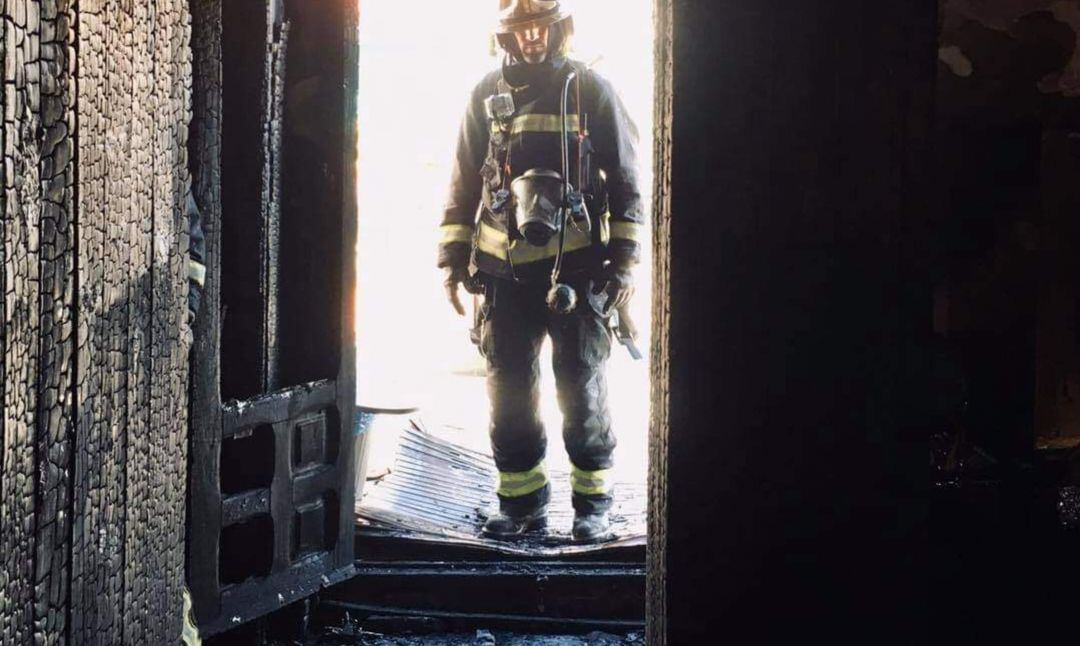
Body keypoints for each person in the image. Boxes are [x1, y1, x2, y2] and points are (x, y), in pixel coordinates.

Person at [438, 0, 644, 543]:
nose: (532, 38)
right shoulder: (485, 94)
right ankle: (520, 503)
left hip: (577, 274)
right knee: (508, 394)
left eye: (541, 28)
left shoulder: (590, 89)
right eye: (521, 30)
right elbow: (462, 182)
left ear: (559, 29)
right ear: (506, 36)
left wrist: (623, 264)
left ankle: (592, 506)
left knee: (582, 389)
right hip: (502, 279)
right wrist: (451, 262)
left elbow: (626, 182)